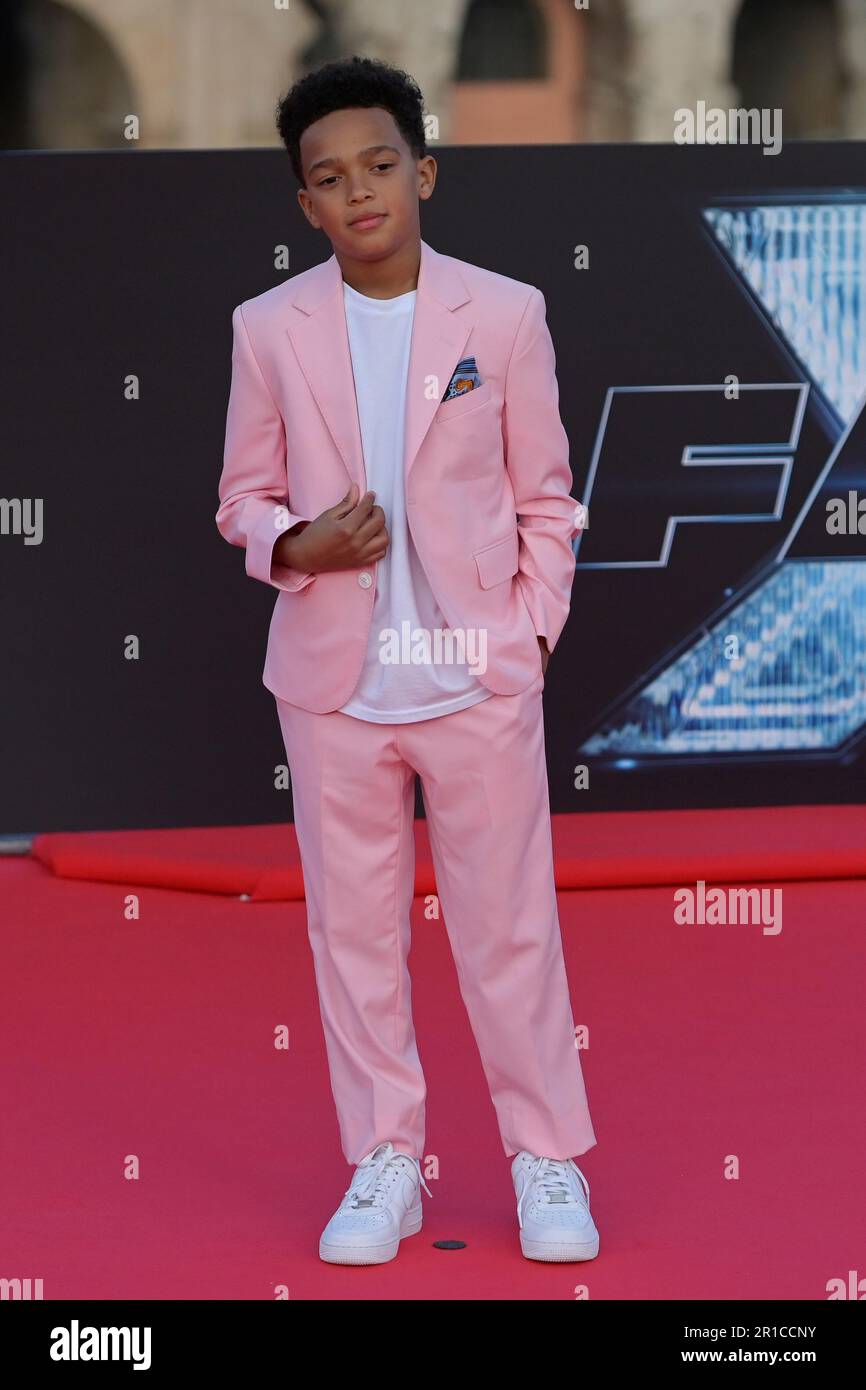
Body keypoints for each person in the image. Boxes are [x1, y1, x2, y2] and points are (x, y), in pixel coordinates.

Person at [215, 54, 598, 1266]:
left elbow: (549, 496)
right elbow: (240, 495)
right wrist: (296, 542)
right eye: (330, 179)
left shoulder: (505, 313)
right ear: (306, 208)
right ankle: (387, 1162)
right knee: (352, 936)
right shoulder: (265, 329)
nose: (360, 191)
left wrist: (527, 634)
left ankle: (545, 1162)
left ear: (420, 172)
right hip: (332, 691)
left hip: (473, 675)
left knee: (509, 929)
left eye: (380, 165)